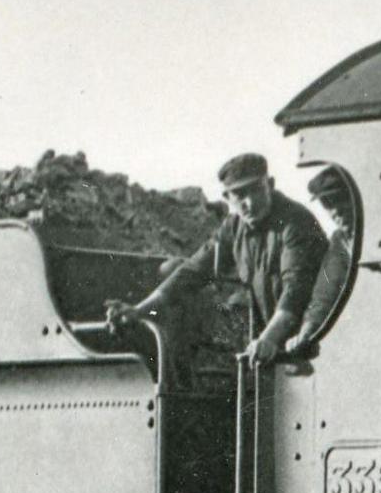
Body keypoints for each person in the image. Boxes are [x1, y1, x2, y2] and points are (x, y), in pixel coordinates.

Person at [107, 152, 349, 365]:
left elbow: (295, 290)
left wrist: (267, 339)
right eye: (240, 195)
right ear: (227, 198)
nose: (250, 203)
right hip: (276, 344)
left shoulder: (295, 222)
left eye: (257, 190)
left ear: (271, 184)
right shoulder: (234, 228)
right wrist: (138, 311)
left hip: (316, 339)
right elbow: (192, 272)